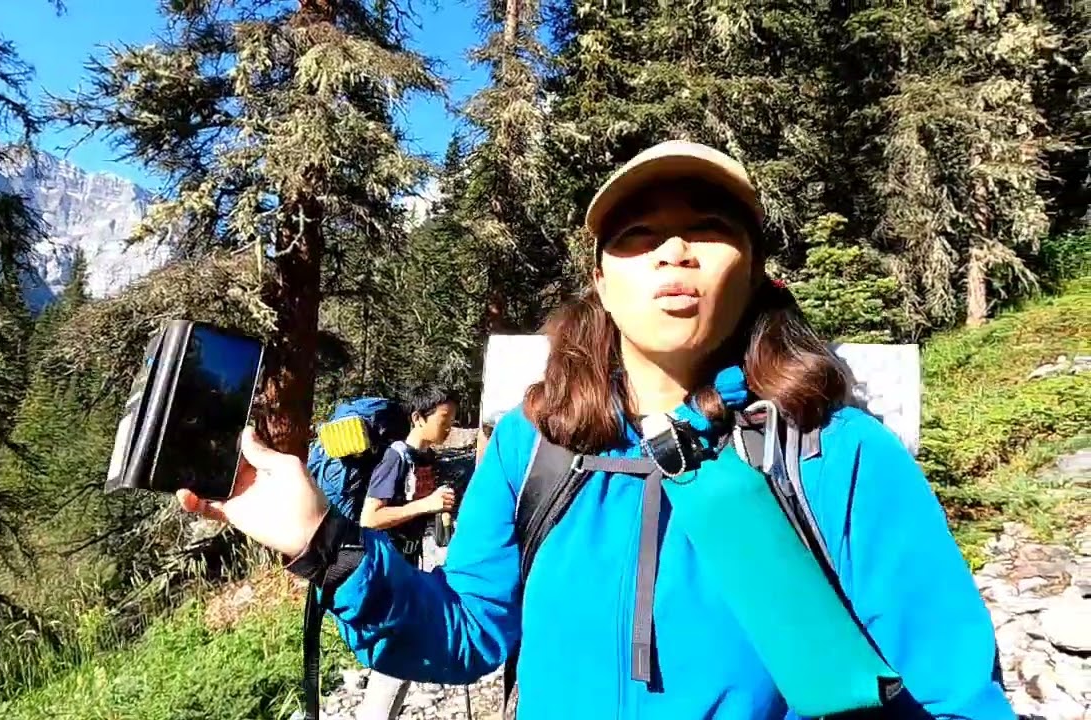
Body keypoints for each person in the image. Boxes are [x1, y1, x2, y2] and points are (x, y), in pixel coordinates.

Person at [177, 140, 1014, 720]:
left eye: (711, 228)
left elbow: (952, 697)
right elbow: (466, 636)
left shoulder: (835, 453)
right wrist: (321, 541)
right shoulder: (534, 447)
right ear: (600, 281)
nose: (674, 250)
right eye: (638, 235)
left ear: (758, 272)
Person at [354, 384, 458, 720]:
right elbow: (370, 518)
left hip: (408, 568)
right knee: (397, 654)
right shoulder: (395, 457)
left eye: (452, 420)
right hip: (387, 574)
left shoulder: (425, 458)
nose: (449, 427)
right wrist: (425, 504)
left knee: (404, 656)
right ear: (418, 418)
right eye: (444, 419)